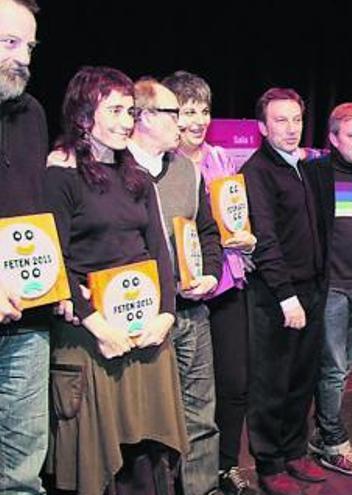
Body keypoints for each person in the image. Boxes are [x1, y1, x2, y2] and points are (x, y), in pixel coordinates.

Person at [44, 66, 187, 495]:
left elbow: (159, 252)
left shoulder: (138, 179)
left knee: (147, 457)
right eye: (117, 110)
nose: (128, 121)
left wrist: (166, 314)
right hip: (93, 340)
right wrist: (95, 322)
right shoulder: (60, 177)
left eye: (130, 111)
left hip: (145, 336)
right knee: (102, 464)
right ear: (85, 116)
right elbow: (54, 261)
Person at [163, 70, 259, 495]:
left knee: (233, 383)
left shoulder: (224, 161)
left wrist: (248, 239)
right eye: (188, 111)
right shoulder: (156, 164)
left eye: (204, 110)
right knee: (181, 391)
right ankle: (174, 472)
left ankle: (223, 467)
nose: (198, 120)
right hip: (178, 293)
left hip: (225, 284)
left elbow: (239, 218)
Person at [126, 77, 223, 495]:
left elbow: (208, 232)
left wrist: (212, 274)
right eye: (175, 113)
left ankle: (202, 489)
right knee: (150, 422)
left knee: (201, 415)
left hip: (192, 311)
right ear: (144, 118)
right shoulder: (116, 171)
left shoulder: (187, 169)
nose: (185, 122)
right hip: (143, 318)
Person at [241, 87, 326, 495]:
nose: (291, 128)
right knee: (271, 382)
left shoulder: (302, 166)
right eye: (281, 120)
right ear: (262, 127)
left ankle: (295, 451)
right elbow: (265, 238)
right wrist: (285, 295)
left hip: (311, 288)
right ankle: (269, 463)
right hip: (277, 296)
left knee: (301, 378)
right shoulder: (257, 171)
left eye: (296, 119)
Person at [301, 102, 352, 476]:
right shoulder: (317, 173)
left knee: (344, 368)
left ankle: (320, 433)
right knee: (333, 370)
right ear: (333, 139)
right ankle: (333, 442)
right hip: (331, 288)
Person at [0, 1, 58, 492]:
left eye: (30, 46)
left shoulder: (33, 113)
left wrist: (55, 277)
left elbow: (35, 210)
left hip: (29, 320)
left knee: (22, 466)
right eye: (9, 43)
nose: (23, 58)